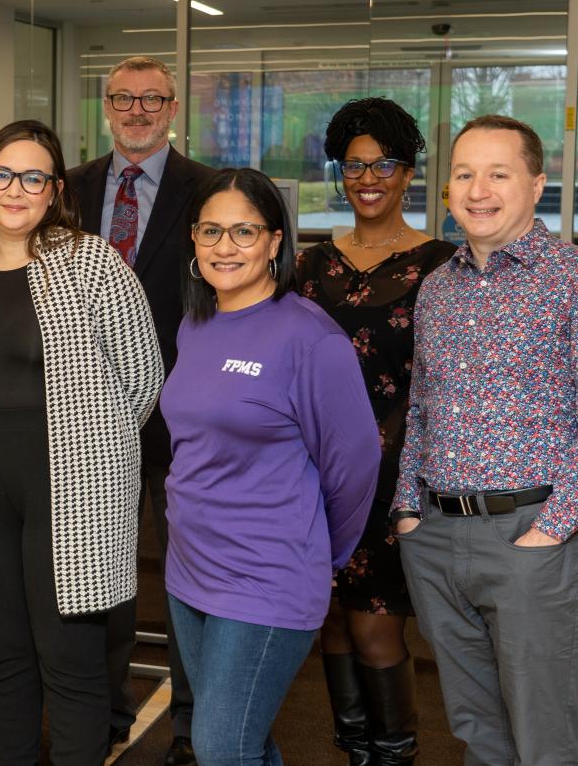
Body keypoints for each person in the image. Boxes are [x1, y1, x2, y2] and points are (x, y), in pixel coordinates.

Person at [393, 115, 578, 766]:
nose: (480, 189)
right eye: (466, 173)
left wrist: (552, 530)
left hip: (534, 536)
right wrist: (408, 511)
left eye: (499, 173)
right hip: (438, 539)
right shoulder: (437, 289)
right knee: (477, 729)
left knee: (545, 741)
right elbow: (420, 407)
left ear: (536, 184)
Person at [0, 119, 163, 766]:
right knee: (1, 656)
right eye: (1, 173)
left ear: (54, 188)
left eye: (32, 176)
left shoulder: (90, 262)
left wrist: (92, 449)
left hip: (70, 486)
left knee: (70, 660)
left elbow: (143, 380)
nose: (14, 188)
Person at [163, 167, 379, 766]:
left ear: (275, 242)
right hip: (189, 570)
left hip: (266, 574)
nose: (224, 248)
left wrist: (316, 557)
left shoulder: (309, 339)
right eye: (211, 232)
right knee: (240, 741)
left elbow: (354, 467)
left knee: (220, 747)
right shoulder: (197, 323)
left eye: (243, 232)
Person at [65, 55, 217, 765]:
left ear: (173, 106)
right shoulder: (67, 189)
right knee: (99, 572)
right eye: (122, 98)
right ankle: (103, 707)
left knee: (188, 575)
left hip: (182, 416)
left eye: (151, 98)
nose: (136, 110)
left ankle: (189, 722)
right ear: (105, 105)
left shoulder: (209, 191)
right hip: (86, 418)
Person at [296, 97, 456, 765]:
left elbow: (449, 382)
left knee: (376, 628)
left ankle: (393, 753)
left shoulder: (442, 264)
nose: (367, 177)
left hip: (396, 479)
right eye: (353, 165)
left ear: (408, 172)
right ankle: (355, 748)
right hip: (313, 473)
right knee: (330, 619)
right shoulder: (310, 265)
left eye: (382, 164)